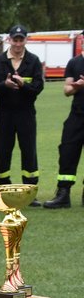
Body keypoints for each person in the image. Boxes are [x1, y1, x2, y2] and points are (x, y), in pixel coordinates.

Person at [0, 24, 44, 194]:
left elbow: (38, 88)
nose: (18, 44)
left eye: (21, 40)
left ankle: (30, 188)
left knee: (29, 149)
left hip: (26, 113)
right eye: (15, 40)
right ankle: (3, 185)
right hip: (5, 113)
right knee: (3, 149)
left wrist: (23, 85)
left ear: (26, 40)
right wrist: (4, 85)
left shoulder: (33, 61)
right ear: (9, 40)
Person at [43, 50, 84, 208]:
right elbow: (67, 90)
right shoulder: (74, 62)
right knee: (67, 153)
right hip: (77, 115)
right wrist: (76, 86)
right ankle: (63, 194)